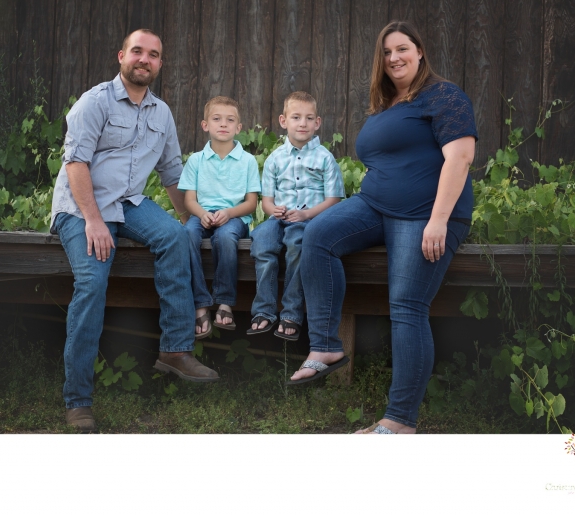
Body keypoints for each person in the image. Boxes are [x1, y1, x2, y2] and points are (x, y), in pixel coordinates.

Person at [289, 22, 478, 435]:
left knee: (407, 306)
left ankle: (398, 422)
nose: (394, 57)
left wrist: (439, 221)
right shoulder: (388, 103)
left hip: (424, 214)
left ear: (420, 51)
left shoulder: (444, 96)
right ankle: (325, 346)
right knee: (318, 236)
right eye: (387, 51)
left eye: (402, 49)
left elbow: (460, 158)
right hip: (374, 205)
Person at [50, 29, 219, 433]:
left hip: (128, 204)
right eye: (138, 52)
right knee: (92, 282)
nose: (145, 59)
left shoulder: (162, 113)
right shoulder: (95, 102)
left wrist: (188, 219)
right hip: (82, 206)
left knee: (177, 239)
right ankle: (78, 400)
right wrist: (93, 220)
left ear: (160, 64)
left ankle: (175, 350)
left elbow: (172, 175)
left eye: (154, 55)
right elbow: (76, 164)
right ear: (121, 55)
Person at [248, 91, 344, 340]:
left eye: (309, 118)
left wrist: (306, 215)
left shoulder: (325, 158)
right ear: (283, 121)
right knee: (263, 246)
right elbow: (267, 201)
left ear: (317, 123)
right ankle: (264, 311)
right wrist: (273, 210)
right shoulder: (274, 159)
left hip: (308, 220)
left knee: (296, 248)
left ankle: (291, 313)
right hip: (277, 219)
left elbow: (334, 199)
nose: (303, 123)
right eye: (296, 117)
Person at [178, 96, 260, 336]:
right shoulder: (195, 161)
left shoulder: (247, 161)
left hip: (234, 217)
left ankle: (224, 302)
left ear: (239, 127)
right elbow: (189, 200)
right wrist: (203, 214)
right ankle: (200, 303)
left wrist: (228, 213)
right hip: (202, 215)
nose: (223, 124)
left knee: (225, 238)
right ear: (205, 125)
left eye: (230, 120)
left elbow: (251, 203)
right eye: (217, 119)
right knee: (187, 235)